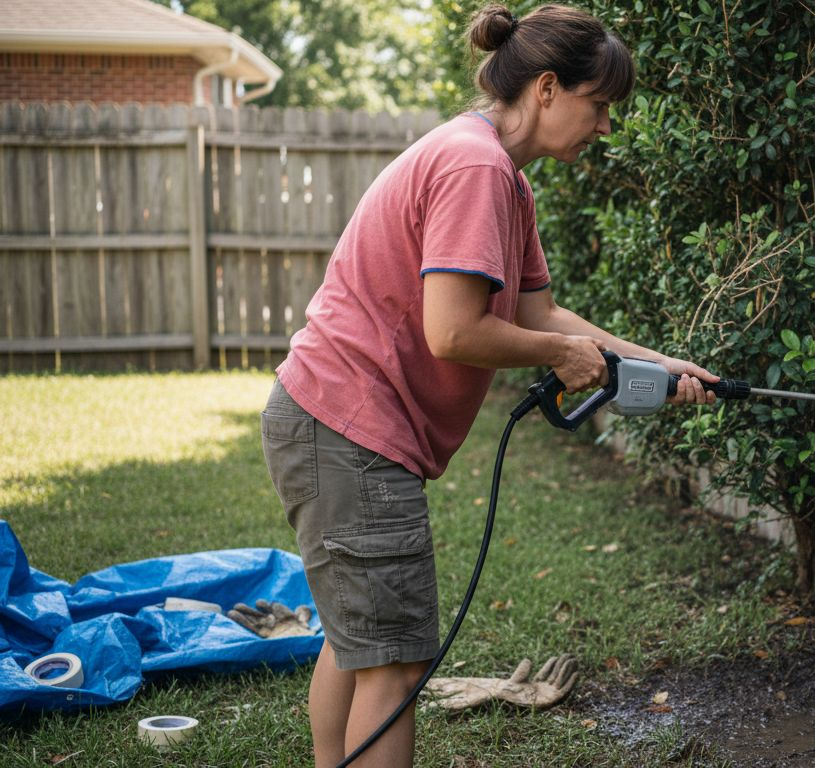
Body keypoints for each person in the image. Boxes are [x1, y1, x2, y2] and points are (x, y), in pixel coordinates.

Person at [258, 4, 718, 766]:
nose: (606, 126)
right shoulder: (475, 167)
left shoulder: (505, 180)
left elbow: (542, 312)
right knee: (394, 661)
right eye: (599, 105)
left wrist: (659, 364)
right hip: (348, 428)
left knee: (362, 642)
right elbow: (455, 331)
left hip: (328, 422)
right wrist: (561, 355)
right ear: (546, 88)